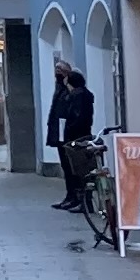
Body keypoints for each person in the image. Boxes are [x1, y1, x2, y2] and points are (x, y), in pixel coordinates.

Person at [58, 70, 95, 210]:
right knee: (81, 170)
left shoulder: (76, 96)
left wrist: (69, 131)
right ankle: (82, 200)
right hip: (83, 135)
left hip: (75, 137)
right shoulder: (84, 94)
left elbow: (75, 117)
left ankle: (81, 201)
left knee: (77, 170)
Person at [47, 59, 77, 210]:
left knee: (72, 168)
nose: (57, 73)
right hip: (60, 134)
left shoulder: (72, 90)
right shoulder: (59, 88)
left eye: (60, 70)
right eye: (56, 70)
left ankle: (75, 196)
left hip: (69, 135)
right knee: (66, 167)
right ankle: (70, 195)